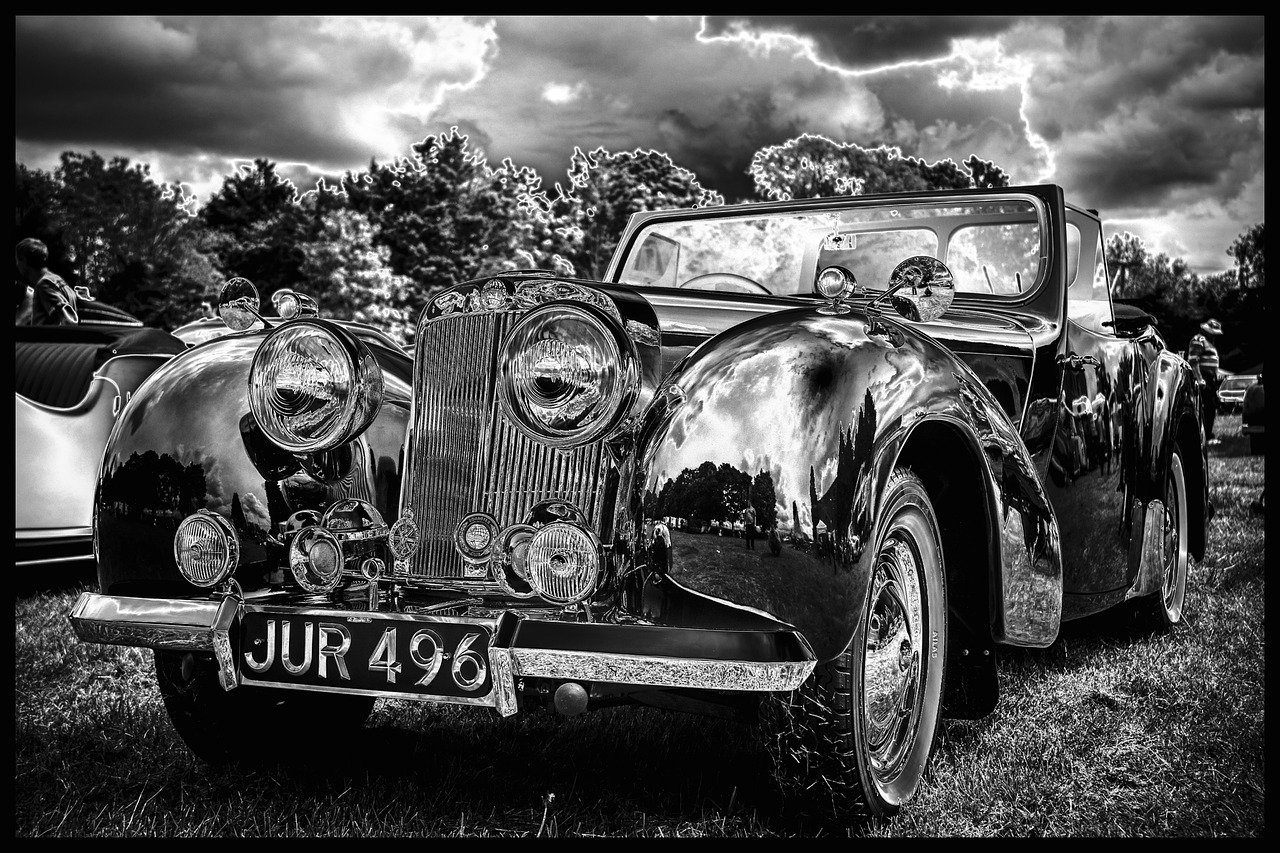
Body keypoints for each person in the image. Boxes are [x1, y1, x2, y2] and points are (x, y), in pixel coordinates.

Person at [15, 238, 78, 325]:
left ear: (24, 261)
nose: (17, 265)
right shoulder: (57, 281)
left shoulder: (44, 285)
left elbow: (69, 321)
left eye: (17, 260)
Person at [1187, 318, 1223, 444]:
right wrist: (1199, 379)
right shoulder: (1199, 340)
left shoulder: (1208, 343)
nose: (1214, 336)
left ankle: (1208, 434)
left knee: (1211, 407)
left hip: (1210, 379)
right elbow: (1193, 360)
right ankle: (1206, 436)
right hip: (1203, 378)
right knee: (1207, 408)